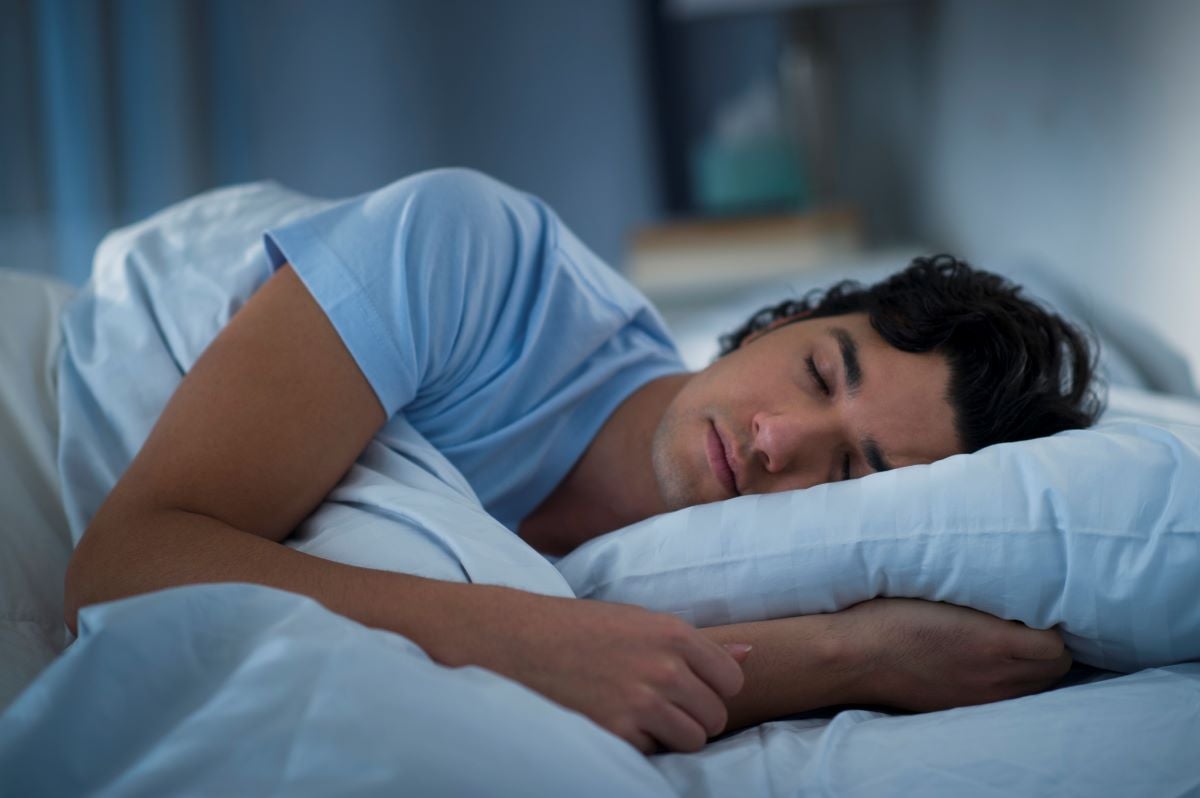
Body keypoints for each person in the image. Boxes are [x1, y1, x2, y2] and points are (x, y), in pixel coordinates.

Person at [61, 168, 1097, 755]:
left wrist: (866, 653)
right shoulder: (472, 259)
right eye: (820, 373)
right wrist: (521, 640)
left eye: (852, 473)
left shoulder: (769, 579)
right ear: (778, 321)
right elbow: (121, 569)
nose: (780, 440)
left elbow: (640, 678)